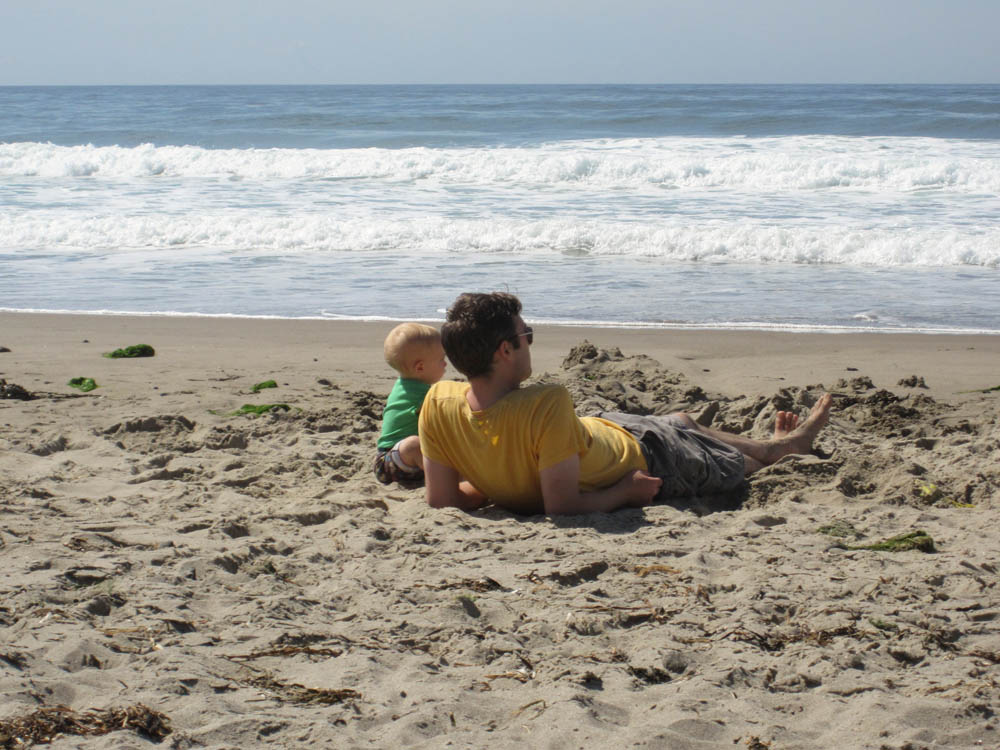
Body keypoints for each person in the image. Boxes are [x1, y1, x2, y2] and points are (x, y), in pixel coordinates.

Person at [418, 292, 832, 516]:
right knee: (726, 465)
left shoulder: (438, 401)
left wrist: (498, 487)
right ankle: (778, 455)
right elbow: (562, 507)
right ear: (506, 350)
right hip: (646, 460)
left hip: (597, 433)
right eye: (527, 335)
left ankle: (773, 445)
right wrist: (624, 493)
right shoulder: (545, 403)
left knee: (683, 419)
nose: (530, 342)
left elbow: (442, 500)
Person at [373, 322, 447, 485]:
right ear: (420, 367)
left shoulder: (406, 385)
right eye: (441, 359)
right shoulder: (418, 395)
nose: (445, 364)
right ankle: (442, 482)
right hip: (390, 462)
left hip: (404, 463)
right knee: (414, 444)